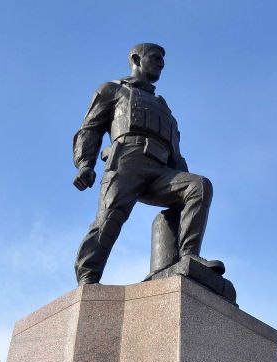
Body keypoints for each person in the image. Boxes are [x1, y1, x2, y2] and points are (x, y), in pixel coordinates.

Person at [72, 42, 224, 285]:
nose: (161, 63)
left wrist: (180, 178)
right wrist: (84, 164)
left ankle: (189, 256)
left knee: (198, 186)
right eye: (155, 57)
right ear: (136, 58)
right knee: (109, 219)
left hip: (161, 169)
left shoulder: (164, 108)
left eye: (163, 59)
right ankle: (88, 277)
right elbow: (89, 129)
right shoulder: (113, 90)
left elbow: (176, 151)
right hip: (127, 161)